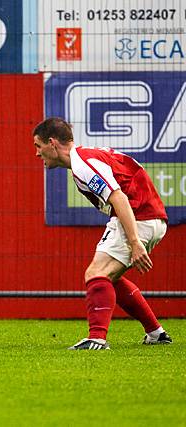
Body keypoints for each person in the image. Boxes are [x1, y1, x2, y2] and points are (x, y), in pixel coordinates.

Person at [32, 117, 172, 350]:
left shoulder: (83, 164)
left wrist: (135, 241)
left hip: (139, 216)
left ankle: (97, 338)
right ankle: (156, 333)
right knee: (109, 276)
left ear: (52, 142)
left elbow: (119, 197)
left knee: (97, 274)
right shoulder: (86, 158)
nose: (37, 153)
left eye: (38, 146)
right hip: (149, 217)